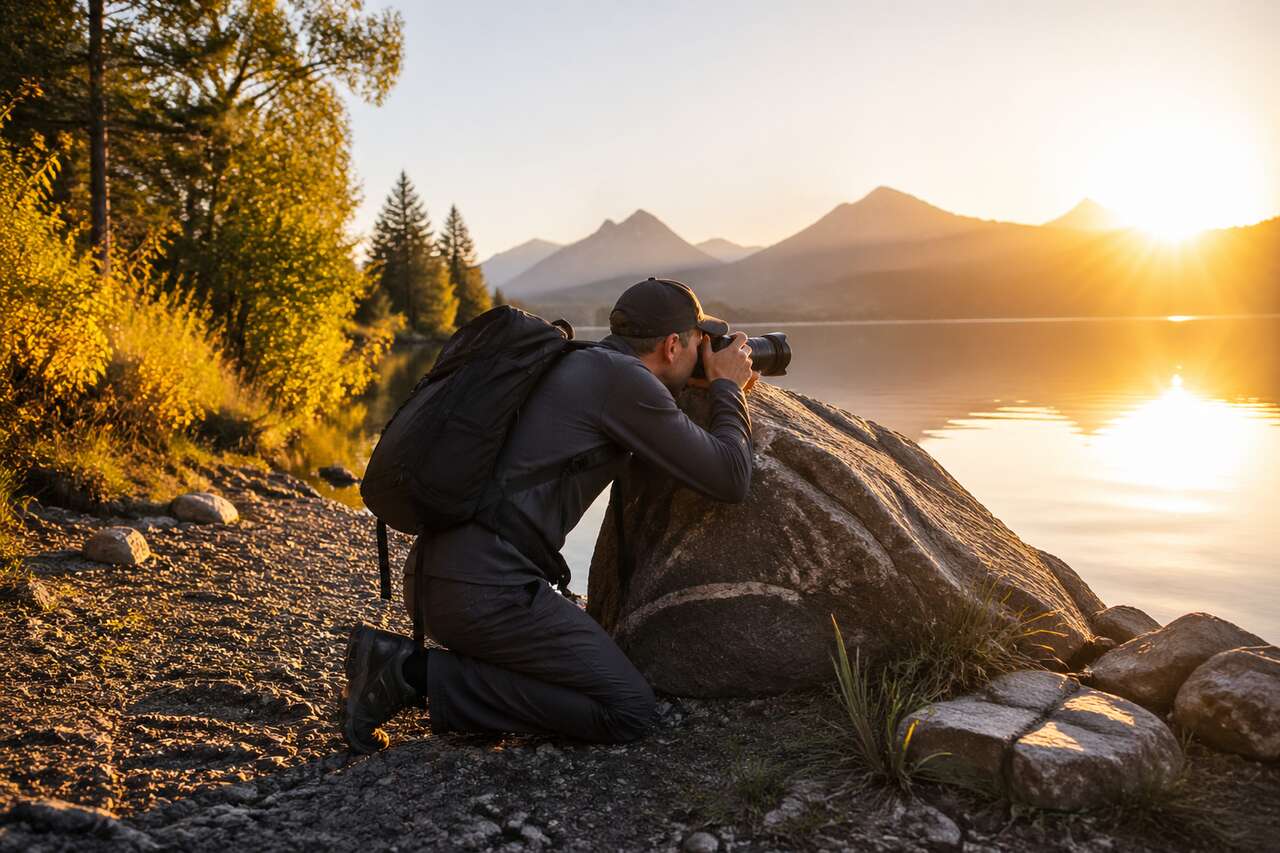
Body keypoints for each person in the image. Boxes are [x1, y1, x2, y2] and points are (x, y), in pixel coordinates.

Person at [341, 277, 757, 752]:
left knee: (587, 676)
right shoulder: (624, 382)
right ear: (671, 345)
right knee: (628, 710)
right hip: (484, 593)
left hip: (445, 581)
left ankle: (416, 671)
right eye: (700, 343)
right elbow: (729, 477)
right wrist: (727, 388)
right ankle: (410, 674)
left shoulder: (582, 364)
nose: (706, 352)